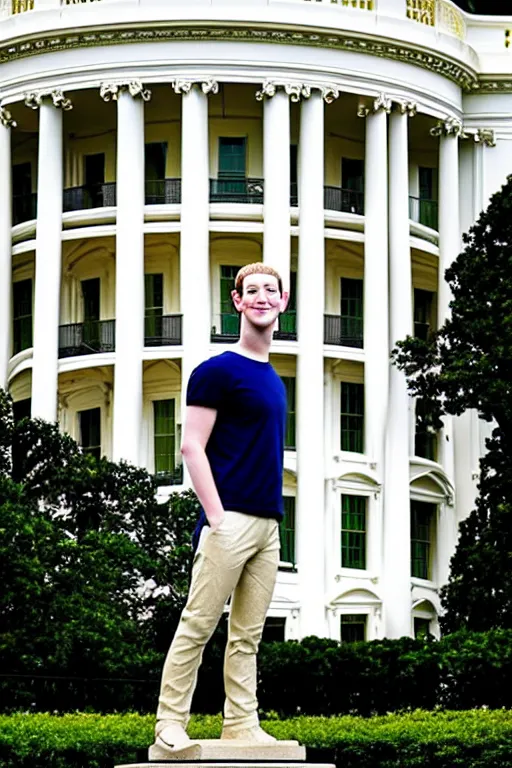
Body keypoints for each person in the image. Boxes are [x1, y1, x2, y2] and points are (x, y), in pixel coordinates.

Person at [152, 262, 290, 756]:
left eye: (269, 290)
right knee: (198, 624)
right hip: (227, 519)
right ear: (236, 302)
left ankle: (241, 725)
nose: (260, 297)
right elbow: (192, 447)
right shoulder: (215, 372)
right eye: (249, 290)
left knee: (247, 637)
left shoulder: (274, 379)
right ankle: (170, 724)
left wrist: (264, 523)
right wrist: (216, 516)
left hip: (269, 525)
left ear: (282, 301)